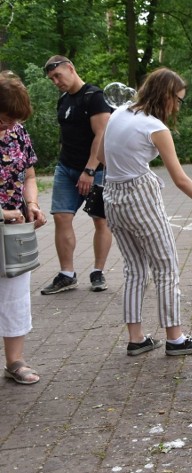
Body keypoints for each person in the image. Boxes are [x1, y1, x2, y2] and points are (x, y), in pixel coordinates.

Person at [99, 67, 192, 357]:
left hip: (112, 197)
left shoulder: (119, 112)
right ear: (167, 95)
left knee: (134, 269)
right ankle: (175, 337)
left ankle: (136, 338)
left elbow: (100, 157)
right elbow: (180, 178)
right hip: (140, 198)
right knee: (166, 267)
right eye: (179, 99)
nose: (178, 106)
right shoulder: (155, 128)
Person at [42, 55, 113, 294]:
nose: (55, 82)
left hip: (96, 171)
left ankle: (97, 272)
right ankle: (67, 274)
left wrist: (90, 170)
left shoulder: (95, 97)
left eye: (57, 76)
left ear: (70, 68)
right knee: (61, 217)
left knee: (100, 221)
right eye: (52, 79)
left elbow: (101, 135)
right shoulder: (63, 99)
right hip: (65, 168)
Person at [0, 72, 48, 384]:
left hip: (14, 231)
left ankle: (14, 361)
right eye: (5, 119)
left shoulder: (18, 132)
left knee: (15, 293)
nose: (10, 125)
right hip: (6, 219)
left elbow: (28, 175)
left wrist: (31, 204)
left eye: (15, 120)